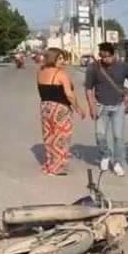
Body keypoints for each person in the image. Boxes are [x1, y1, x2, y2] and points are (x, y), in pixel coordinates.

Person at [85, 42, 128, 177]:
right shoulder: (93, 68)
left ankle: (118, 163)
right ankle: (105, 155)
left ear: (113, 54)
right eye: (101, 56)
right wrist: (91, 107)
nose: (104, 60)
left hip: (118, 106)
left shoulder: (123, 66)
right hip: (101, 106)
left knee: (118, 137)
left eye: (107, 56)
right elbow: (89, 89)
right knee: (100, 135)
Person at [36, 48, 86, 176]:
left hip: (45, 106)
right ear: (53, 59)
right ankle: (58, 167)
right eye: (60, 58)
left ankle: (50, 164)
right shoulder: (60, 74)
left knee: (49, 136)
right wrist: (78, 108)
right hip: (60, 108)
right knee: (62, 137)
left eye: (63, 58)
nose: (63, 61)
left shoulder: (40, 72)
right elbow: (69, 94)